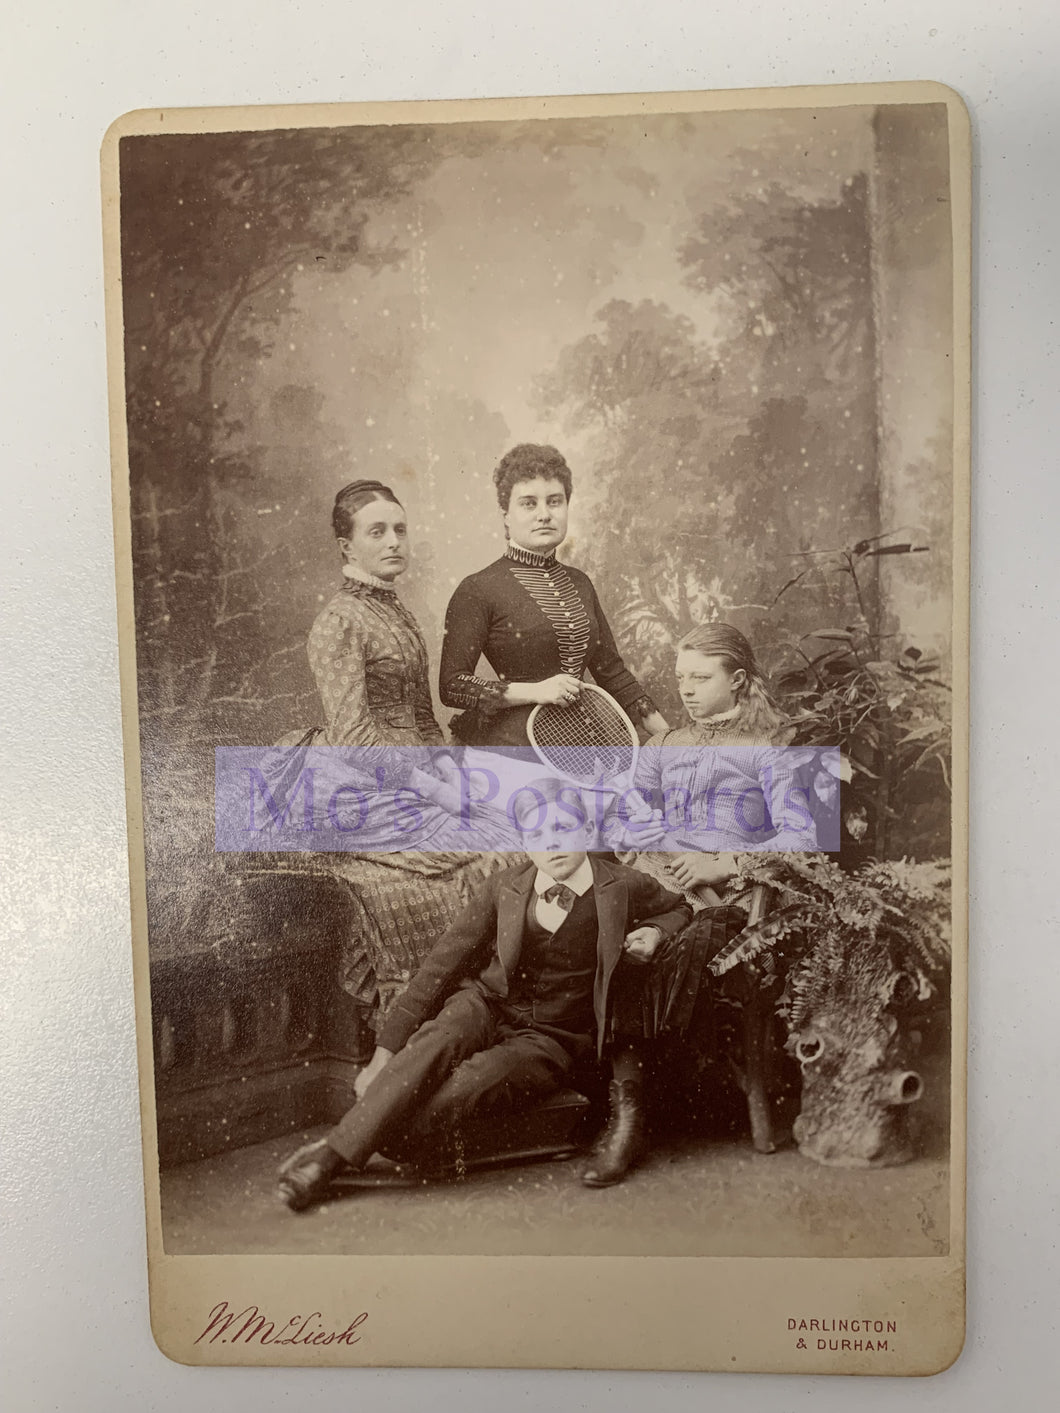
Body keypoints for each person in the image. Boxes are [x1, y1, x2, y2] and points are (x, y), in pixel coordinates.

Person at [276, 778, 692, 1212]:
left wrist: (655, 931)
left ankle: (360, 1138)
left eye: (564, 828)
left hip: (553, 1037)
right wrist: (385, 1052)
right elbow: (440, 967)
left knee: (465, 1087)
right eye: (537, 834)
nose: (553, 844)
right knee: (434, 1043)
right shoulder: (505, 885)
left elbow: (679, 906)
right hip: (486, 1003)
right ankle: (328, 1161)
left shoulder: (623, 885)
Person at [271, 478, 519, 1024]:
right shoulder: (338, 621)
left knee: (506, 835)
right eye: (377, 531)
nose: (393, 542)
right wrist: (432, 790)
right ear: (346, 547)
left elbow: (425, 719)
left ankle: (490, 1007)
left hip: (413, 771)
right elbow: (355, 737)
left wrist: (451, 779)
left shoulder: (399, 614)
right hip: (354, 784)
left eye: (400, 530)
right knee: (461, 857)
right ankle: (421, 1016)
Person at [438, 444, 670, 746]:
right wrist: (536, 691)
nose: (544, 515)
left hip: (588, 744)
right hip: (512, 750)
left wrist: (671, 741)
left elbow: (613, 675)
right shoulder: (478, 588)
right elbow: (452, 685)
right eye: (529, 504)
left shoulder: (580, 582)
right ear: (506, 515)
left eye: (555, 502)